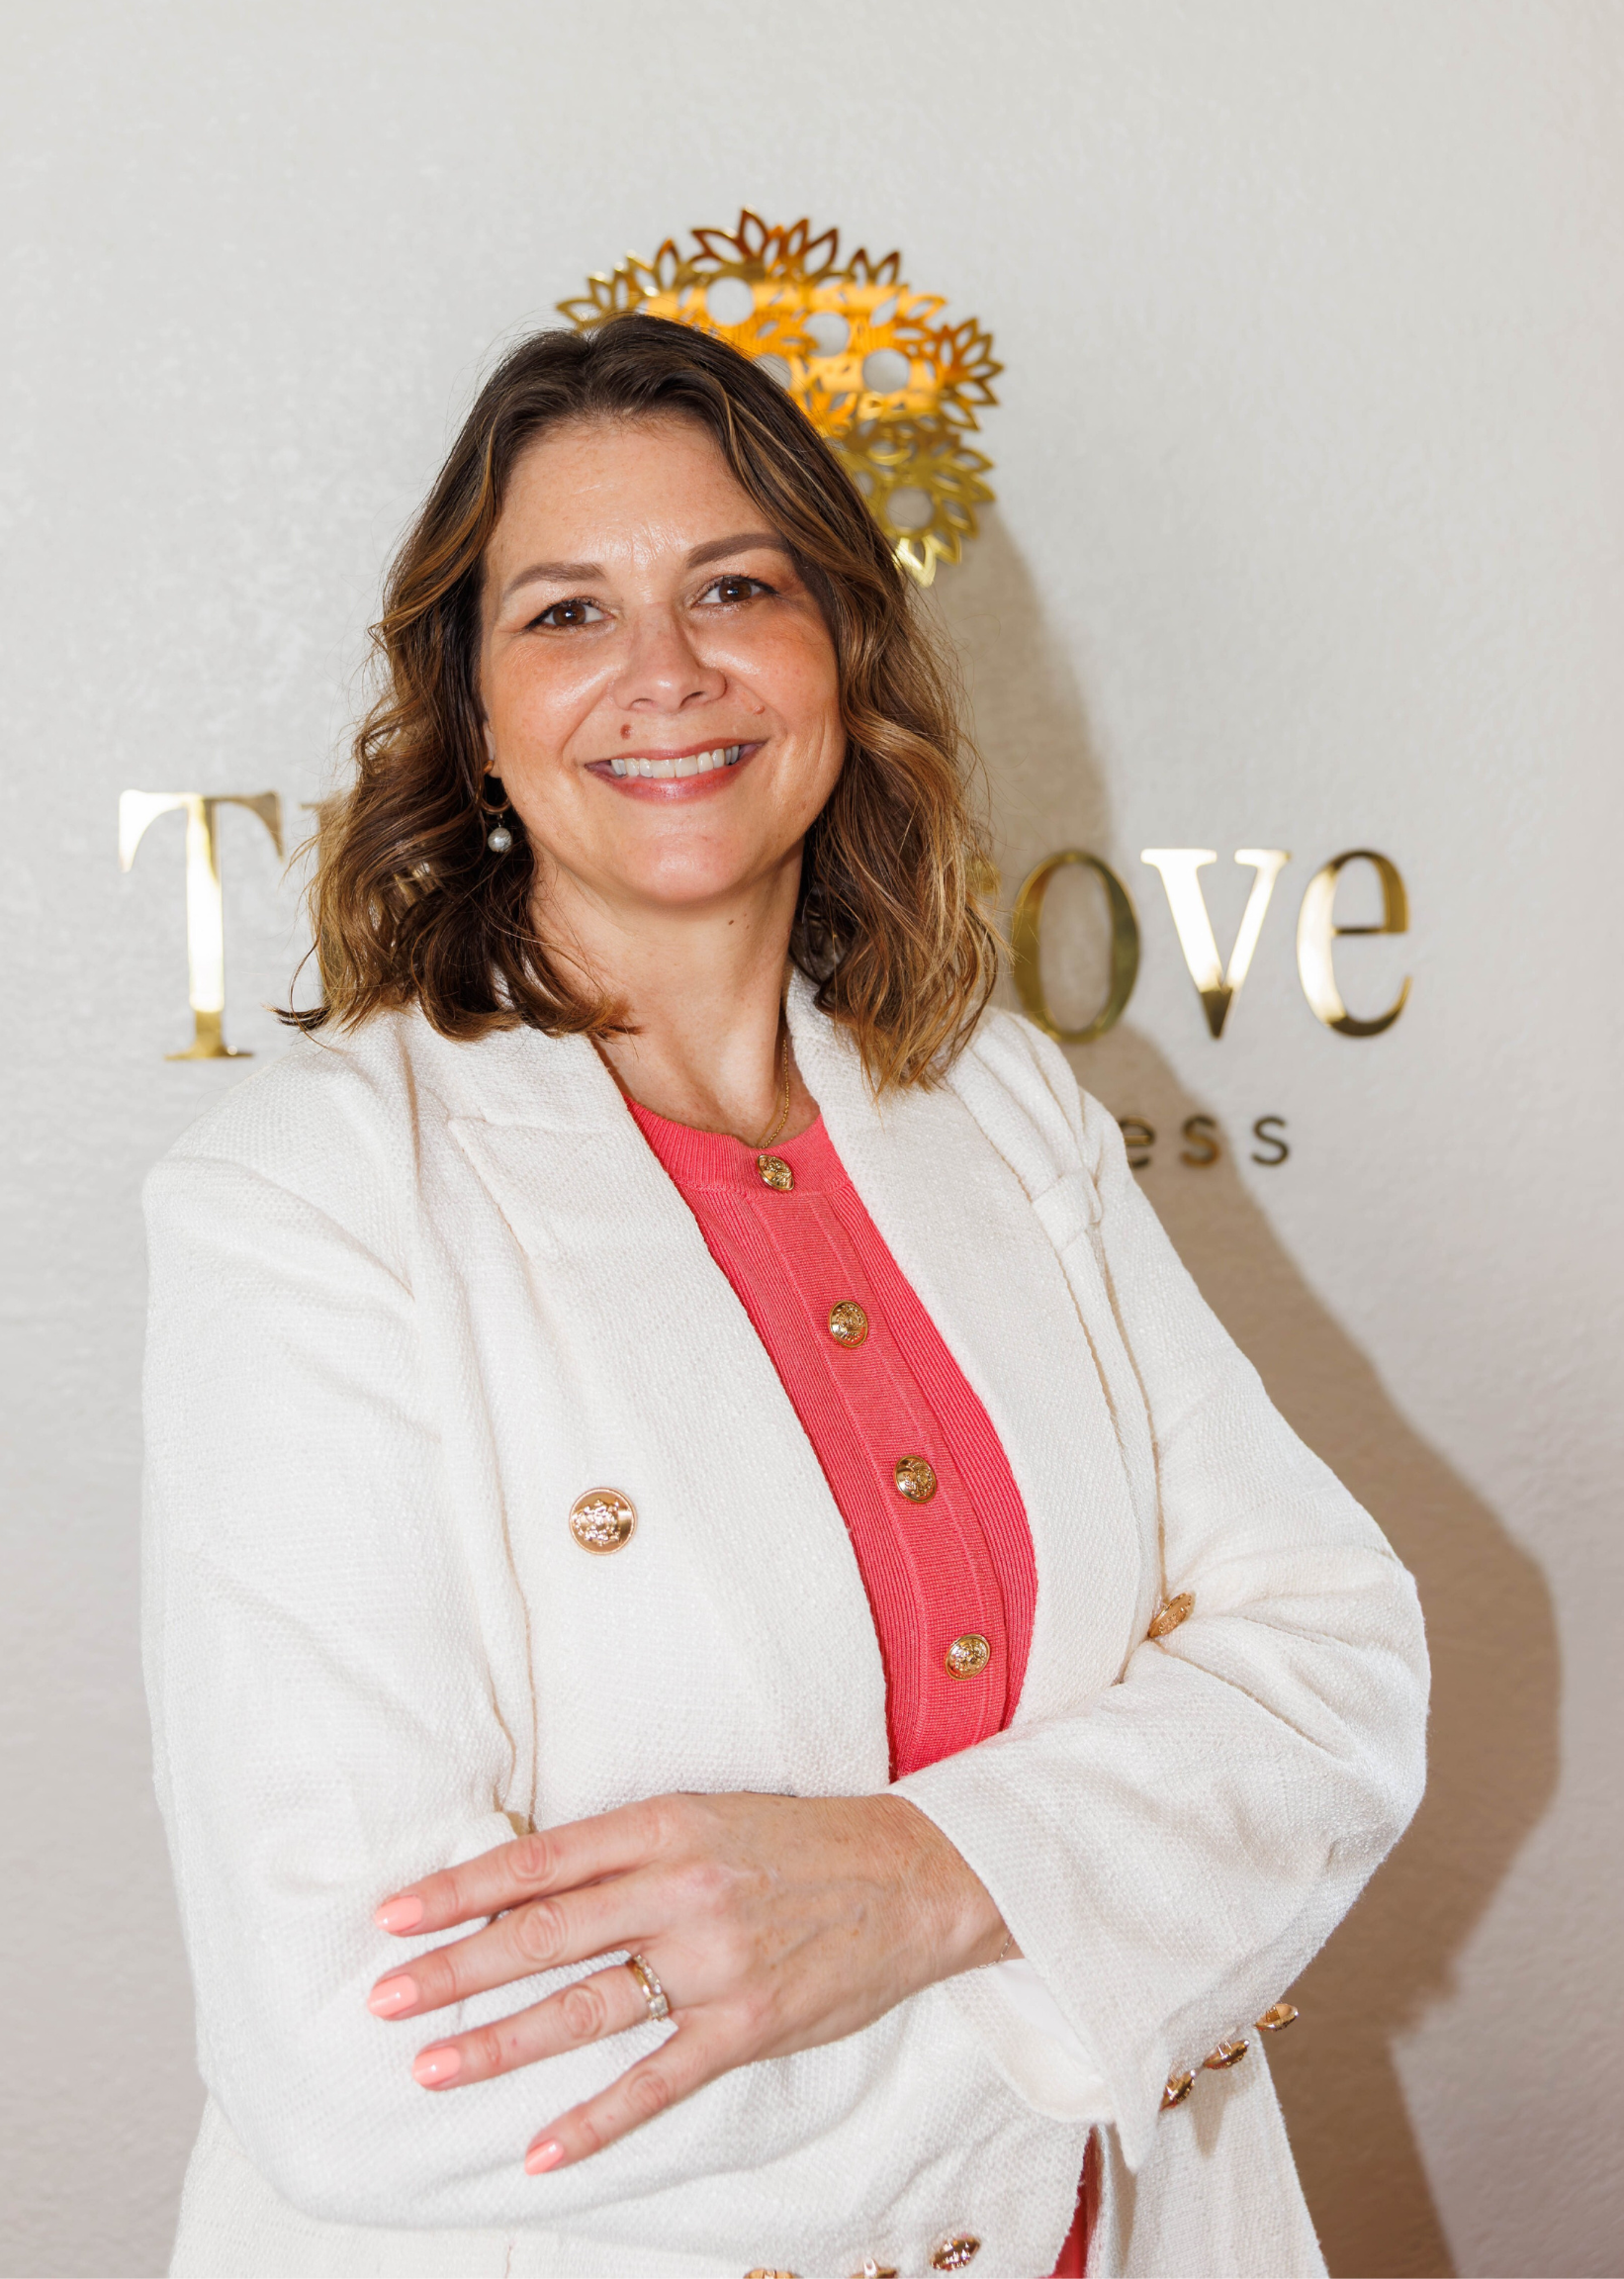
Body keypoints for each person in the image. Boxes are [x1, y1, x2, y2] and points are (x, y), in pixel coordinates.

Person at [141, 314, 1428, 2279]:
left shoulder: (996, 1098)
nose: (666, 669)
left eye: (736, 587)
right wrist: (1104, 1931)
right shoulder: (312, 1193)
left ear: (842, 653)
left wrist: (920, 1884)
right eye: (569, 612)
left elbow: (1334, 1669)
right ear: (470, 716)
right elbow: (365, 2054)